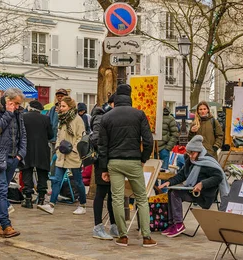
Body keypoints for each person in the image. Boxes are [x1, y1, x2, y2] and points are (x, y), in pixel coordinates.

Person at [98, 84, 157, 247]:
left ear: (116, 97)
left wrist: (103, 168)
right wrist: (143, 158)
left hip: (114, 162)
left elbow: (102, 145)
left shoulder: (107, 117)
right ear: (130, 96)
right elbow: (148, 140)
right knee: (141, 198)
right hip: (133, 161)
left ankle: (122, 236)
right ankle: (146, 237)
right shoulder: (139, 114)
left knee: (117, 198)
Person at [158, 135, 224, 238]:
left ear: (199, 151)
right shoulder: (190, 160)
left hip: (203, 194)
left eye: (192, 153)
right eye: (188, 153)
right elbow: (182, 174)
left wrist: (202, 184)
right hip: (192, 190)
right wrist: (169, 182)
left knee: (175, 194)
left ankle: (179, 224)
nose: (190, 156)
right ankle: (173, 223)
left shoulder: (208, 162)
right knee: (171, 191)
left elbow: (218, 177)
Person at [0, 88, 26, 238]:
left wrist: (21, 154)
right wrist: (8, 113)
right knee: (1, 190)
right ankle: (6, 225)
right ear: (8, 100)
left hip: (13, 157)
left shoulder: (18, 111)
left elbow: (22, 133)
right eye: (16, 103)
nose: (18, 106)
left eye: (19, 104)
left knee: (1, 191)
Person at [38, 96, 87, 215]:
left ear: (70, 107)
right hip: (62, 154)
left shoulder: (77, 120)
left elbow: (81, 137)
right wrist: (58, 148)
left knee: (78, 181)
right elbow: (59, 135)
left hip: (73, 155)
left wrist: (74, 150)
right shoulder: (62, 119)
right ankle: (51, 204)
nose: (61, 108)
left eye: (64, 106)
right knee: (56, 180)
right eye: (61, 106)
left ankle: (83, 204)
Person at [90, 94, 118, 240]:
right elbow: (96, 140)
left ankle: (113, 225)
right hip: (102, 161)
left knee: (112, 194)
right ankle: (98, 226)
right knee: (101, 193)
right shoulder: (101, 117)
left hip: (109, 159)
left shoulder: (106, 116)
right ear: (112, 104)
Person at [21, 100, 53, 208]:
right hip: (42, 149)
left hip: (26, 149)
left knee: (27, 172)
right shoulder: (46, 118)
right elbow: (51, 135)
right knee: (42, 173)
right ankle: (41, 198)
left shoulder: (23, 117)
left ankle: (28, 198)